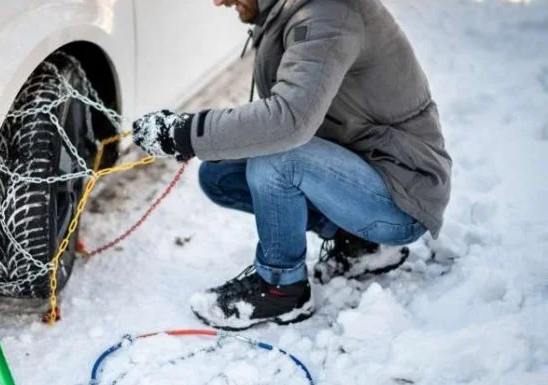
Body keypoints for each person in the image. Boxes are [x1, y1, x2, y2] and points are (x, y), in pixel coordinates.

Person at [131, 0, 452, 331]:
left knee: (278, 158)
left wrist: (185, 133)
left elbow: (289, 122)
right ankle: (360, 241)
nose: (220, 1)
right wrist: (201, 138)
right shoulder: (294, 10)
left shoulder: (329, 13)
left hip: (402, 192)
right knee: (220, 175)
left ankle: (281, 288)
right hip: (363, 170)